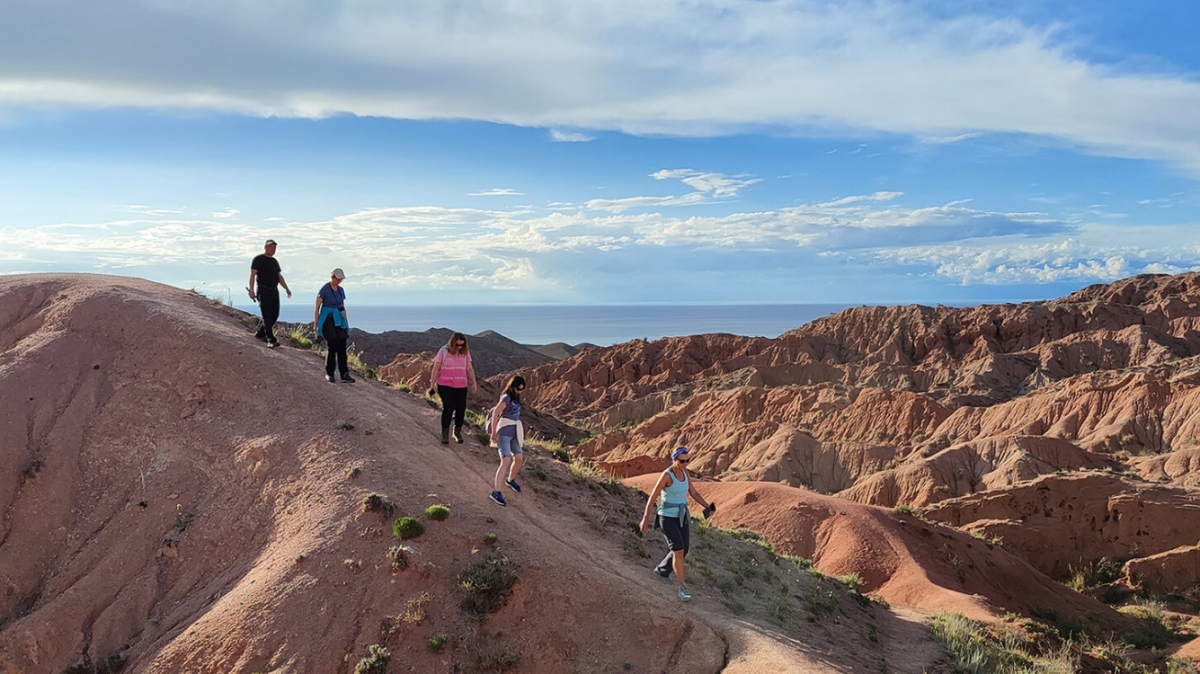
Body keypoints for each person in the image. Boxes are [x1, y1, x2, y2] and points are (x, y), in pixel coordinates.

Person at [639, 447, 715, 602]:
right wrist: (646, 518)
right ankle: (682, 587)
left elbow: (693, 493)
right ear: (674, 459)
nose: (685, 463)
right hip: (667, 517)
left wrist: (707, 506)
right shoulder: (667, 475)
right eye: (682, 461)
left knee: (683, 549)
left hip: (682, 516)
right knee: (678, 550)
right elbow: (653, 496)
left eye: (687, 460)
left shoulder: (685, 474)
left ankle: (662, 570)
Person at [428, 332, 478, 444]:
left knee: (461, 409)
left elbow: (469, 368)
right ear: (452, 343)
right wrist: (432, 384)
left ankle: (457, 431)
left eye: (462, 345)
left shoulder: (465, 353)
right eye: (457, 345)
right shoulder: (443, 351)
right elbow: (436, 368)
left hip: (461, 385)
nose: (459, 347)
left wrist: (473, 382)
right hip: (445, 384)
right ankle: (445, 432)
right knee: (449, 407)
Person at [486, 375, 526, 507]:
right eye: (518, 389)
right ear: (513, 386)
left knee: (519, 458)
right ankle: (496, 492)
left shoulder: (515, 397)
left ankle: (510, 479)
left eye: (521, 389)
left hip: (514, 431)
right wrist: (493, 433)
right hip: (504, 432)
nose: (519, 391)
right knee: (506, 461)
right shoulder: (506, 398)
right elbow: (495, 413)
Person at [248, 239, 292, 348]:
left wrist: (286, 288)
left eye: (274, 248)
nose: (273, 249)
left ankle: (260, 333)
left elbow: (279, 277)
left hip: (274, 290)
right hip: (263, 290)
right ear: (265, 247)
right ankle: (270, 339)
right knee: (267, 315)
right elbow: (252, 275)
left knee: (275, 315)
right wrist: (251, 290)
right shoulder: (258, 259)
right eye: (271, 247)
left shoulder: (274, 261)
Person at [313, 268, 354, 383]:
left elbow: (342, 306)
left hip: (338, 319)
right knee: (332, 344)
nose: (339, 281)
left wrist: (346, 322)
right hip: (328, 319)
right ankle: (329, 373)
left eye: (340, 279)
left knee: (342, 345)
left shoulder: (341, 290)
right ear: (333, 277)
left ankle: (344, 374)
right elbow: (317, 307)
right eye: (338, 278)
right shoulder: (324, 289)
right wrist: (316, 325)